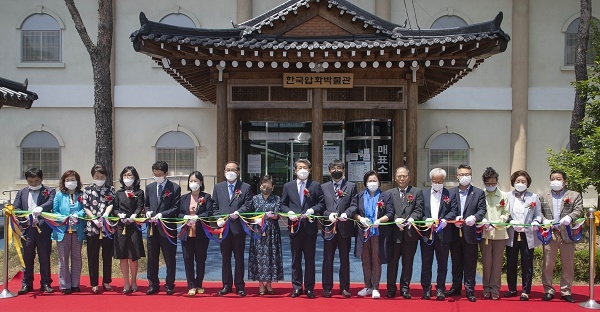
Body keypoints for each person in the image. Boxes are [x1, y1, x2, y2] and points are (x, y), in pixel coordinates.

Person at [280, 159, 324, 299]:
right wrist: (289, 212)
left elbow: (321, 203)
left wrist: (313, 209)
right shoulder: (288, 186)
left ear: (309, 170)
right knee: (295, 259)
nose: (302, 170)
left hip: (310, 227)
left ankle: (310, 288)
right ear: (295, 170)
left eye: (305, 167)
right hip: (294, 227)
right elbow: (283, 204)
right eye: (299, 167)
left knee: (310, 259)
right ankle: (297, 287)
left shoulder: (315, 185)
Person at [539, 169, 583, 303]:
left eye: (558, 179)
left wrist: (570, 217)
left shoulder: (574, 195)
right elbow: (537, 212)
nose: (555, 181)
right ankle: (548, 290)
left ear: (565, 181)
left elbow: (579, 210)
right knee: (548, 264)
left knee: (568, 264)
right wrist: (543, 220)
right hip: (550, 234)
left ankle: (566, 291)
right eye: (553, 179)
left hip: (567, 234)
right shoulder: (542, 196)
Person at [446, 164, 486, 302]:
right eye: (462, 174)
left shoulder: (479, 193)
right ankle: (456, 287)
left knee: (470, 263)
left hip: (470, 233)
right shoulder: (450, 193)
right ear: (457, 176)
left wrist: (474, 217)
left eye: (467, 174)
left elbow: (482, 210)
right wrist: (453, 218)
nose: (464, 177)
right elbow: (446, 210)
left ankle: (470, 290)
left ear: (471, 176)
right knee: (456, 262)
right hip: (454, 233)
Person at [212, 161, 252, 296]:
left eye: (233, 170)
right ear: (224, 172)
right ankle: (226, 285)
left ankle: (240, 285)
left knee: (239, 258)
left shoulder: (245, 187)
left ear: (238, 172)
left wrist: (239, 212)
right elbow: (214, 206)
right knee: (225, 258)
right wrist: (218, 218)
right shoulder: (218, 187)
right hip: (223, 229)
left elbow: (248, 204)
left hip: (238, 228)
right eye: (228, 169)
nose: (230, 172)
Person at [14, 168, 56, 294]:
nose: (33, 184)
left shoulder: (49, 191)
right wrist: (23, 216)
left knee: (44, 256)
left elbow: (51, 202)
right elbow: (16, 206)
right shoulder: (21, 192)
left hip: (43, 229)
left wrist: (41, 208)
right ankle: (27, 284)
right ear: (26, 180)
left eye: (36, 181)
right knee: (27, 257)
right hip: (27, 229)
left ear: (41, 179)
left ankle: (46, 283)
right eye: (30, 181)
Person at [320, 160, 357, 298]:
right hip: (329, 227)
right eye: (334, 168)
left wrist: (346, 214)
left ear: (344, 170)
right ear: (329, 171)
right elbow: (321, 207)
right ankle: (327, 287)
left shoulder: (351, 186)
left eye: (340, 168)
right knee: (327, 258)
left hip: (344, 227)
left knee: (344, 259)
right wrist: (328, 215)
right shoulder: (323, 187)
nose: (337, 170)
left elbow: (354, 204)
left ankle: (345, 287)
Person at [354, 170, 394, 299]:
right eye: (369, 181)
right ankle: (367, 286)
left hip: (378, 232)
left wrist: (380, 221)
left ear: (379, 182)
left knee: (376, 259)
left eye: (374, 181)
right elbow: (353, 211)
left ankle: (376, 287)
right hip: (363, 232)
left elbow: (390, 213)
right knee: (365, 259)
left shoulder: (385, 196)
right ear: (365, 183)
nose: (372, 183)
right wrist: (360, 218)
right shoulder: (359, 196)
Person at [386, 167, 424, 299]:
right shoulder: (389, 193)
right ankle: (391, 288)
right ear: (395, 178)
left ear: (409, 177)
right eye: (399, 176)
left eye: (404, 176)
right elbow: (387, 210)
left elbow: (419, 209)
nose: (402, 178)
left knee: (408, 263)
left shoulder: (417, 192)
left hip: (410, 233)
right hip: (394, 233)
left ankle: (405, 288)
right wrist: (396, 218)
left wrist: (411, 219)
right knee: (392, 263)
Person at [419, 168, 457, 301]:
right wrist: (425, 220)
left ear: (443, 181)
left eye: (440, 181)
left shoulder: (450, 194)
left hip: (443, 234)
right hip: (427, 233)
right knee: (426, 262)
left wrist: (446, 219)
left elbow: (454, 210)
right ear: (431, 181)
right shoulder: (423, 194)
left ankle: (440, 288)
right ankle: (426, 288)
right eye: (435, 181)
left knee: (442, 263)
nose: (437, 183)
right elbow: (420, 211)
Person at [144, 160, 181, 295]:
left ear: (166, 173)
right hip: (152, 228)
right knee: (152, 257)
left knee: (169, 257)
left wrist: (162, 214)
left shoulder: (174, 188)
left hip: (167, 228)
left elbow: (176, 207)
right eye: (155, 174)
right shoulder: (150, 187)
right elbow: (146, 204)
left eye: (159, 174)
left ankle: (170, 284)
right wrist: (147, 211)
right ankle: (153, 284)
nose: (157, 176)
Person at [504, 170, 542, 301]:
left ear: (528, 183)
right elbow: (504, 213)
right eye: (518, 181)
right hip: (512, 233)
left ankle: (526, 291)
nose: (520, 183)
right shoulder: (507, 196)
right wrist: (510, 221)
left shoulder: (534, 197)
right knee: (511, 262)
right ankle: (512, 288)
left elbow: (538, 214)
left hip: (527, 233)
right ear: (513, 182)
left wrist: (536, 221)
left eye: (523, 181)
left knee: (527, 262)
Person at [247, 175, 284, 295]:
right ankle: (260, 283)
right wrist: (255, 220)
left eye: (268, 185)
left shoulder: (277, 198)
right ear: (260, 185)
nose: (265, 187)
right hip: (258, 230)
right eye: (263, 184)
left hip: (272, 231)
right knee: (258, 256)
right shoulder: (254, 199)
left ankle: (269, 283)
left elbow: (279, 213)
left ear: (272, 187)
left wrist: (274, 215)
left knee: (271, 256)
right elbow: (249, 215)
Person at [82, 164, 115, 294]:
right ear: (93, 177)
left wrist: (106, 215)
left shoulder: (110, 189)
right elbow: (85, 206)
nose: (99, 178)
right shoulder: (88, 190)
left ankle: (106, 281)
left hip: (106, 226)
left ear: (105, 177)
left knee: (107, 255)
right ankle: (94, 283)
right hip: (92, 227)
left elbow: (111, 203)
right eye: (97, 177)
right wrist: (94, 218)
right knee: (92, 255)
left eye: (101, 177)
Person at [178, 171, 212, 296]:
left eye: (196, 181)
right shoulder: (184, 198)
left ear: (201, 183)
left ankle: (199, 284)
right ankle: (191, 285)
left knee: (201, 259)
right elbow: (179, 213)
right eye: (191, 181)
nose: (193, 183)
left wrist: (198, 216)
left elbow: (209, 212)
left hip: (201, 234)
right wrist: (186, 216)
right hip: (186, 233)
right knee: (188, 259)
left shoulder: (206, 197)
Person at [52, 170, 85, 294]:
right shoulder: (59, 195)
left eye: (73, 179)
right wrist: (64, 218)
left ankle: (75, 283)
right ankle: (65, 285)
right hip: (62, 231)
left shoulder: (82, 194)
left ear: (77, 181)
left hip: (77, 230)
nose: (70, 182)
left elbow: (85, 209)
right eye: (68, 180)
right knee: (63, 258)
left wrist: (78, 214)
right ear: (63, 182)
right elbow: (54, 211)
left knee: (76, 258)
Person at [113, 166, 145, 294]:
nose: (127, 178)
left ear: (135, 178)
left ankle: (134, 281)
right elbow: (115, 207)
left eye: (130, 176)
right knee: (123, 256)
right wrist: (118, 214)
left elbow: (140, 206)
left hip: (133, 226)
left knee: (133, 256)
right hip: (121, 226)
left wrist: (135, 215)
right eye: (125, 175)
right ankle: (126, 282)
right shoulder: (119, 193)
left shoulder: (139, 192)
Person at [479, 167, 509, 300]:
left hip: (500, 233)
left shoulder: (504, 196)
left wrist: (496, 223)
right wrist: (483, 221)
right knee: (487, 261)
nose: (491, 186)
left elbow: (506, 213)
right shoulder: (480, 194)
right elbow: (478, 210)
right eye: (488, 184)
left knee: (497, 261)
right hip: (485, 233)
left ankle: (495, 288)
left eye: (493, 183)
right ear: (484, 183)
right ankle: (486, 287)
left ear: (497, 181)